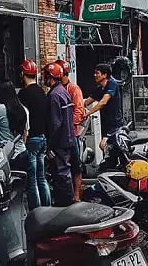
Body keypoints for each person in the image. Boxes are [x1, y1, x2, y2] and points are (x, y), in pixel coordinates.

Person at [17, 59, 51, 210]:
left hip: (31, 140)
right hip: (42, 138)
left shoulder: (23, 94)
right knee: (42, 177)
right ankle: (47, 208)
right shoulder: (42, 92)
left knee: (32, 180)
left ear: (22, 74)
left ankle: (36, 212)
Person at [44, 61, 75, 206]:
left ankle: (65, 204)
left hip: (60, 141)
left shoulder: (54, 95)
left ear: (50, 77)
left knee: (61, 173)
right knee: (65, 172)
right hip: (68, 138)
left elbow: (55, 123)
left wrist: (49, 144)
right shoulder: (63, 91)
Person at [58, 60, 84, 201]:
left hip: (72, 134)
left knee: (75, 165)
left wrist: (69, 127)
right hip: (61, 134)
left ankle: (77, 194)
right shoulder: (57, 89)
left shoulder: (73, 89)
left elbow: (79, 111)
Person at [84, 63, 123, 152]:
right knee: (107, 147)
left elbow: (103, 102)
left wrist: (88, 113)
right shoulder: (100, 89)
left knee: (103, 144)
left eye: (97, 73)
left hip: (114, 123)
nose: (95, 75)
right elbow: (86, 102)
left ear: (105, 75)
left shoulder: (112, 84)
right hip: (105, 123)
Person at [0, 80, 29, 168]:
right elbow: (25, 134)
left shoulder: (0, 110)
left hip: (7, 156)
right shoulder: (23, 109)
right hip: (22, 152)